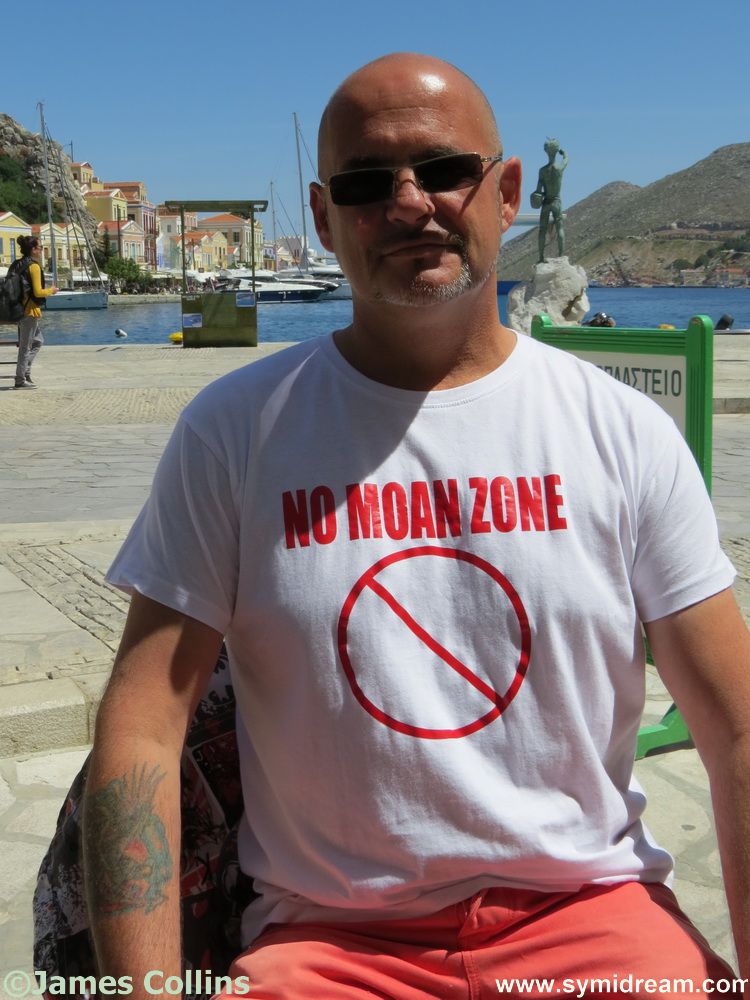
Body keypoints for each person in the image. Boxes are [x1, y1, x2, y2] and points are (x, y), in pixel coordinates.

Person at [83, 53, 750, 998]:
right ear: (324, 219)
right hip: (330, 942)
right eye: (366, 183)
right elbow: (143, 724)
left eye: (443, 171)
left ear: (506, 194)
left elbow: (735, 727)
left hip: (591, 916)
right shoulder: (236, 432)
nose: (409, 203)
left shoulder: (622, 433)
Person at [11, 234, 57, 389]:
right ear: (33, 249)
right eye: (40, 247)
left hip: (17, 308)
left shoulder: (17, 264)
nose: (41, 250)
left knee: (38, 341)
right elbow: (37, 292)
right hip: (29, 311)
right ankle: (20, 379)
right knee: (26, 346)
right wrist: (51, 290)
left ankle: (25, 372)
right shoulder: (34, 266)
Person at [531, 137, 568, 262]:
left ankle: (541, 257)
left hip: (546, 202)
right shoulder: (559, 169)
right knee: (560, 228)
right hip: (556, 201)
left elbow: (538, 190)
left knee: (542, 230)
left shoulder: (542, 171)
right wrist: (563, 153)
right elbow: (566, 159)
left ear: (546, 151)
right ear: (556, 150)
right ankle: (561, 255)